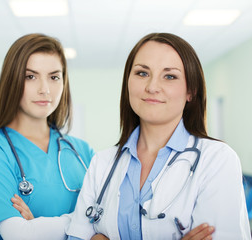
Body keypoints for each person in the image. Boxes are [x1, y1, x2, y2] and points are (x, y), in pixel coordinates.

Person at [66, 33, 251, 239]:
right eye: (142, 73)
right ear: (128, 82)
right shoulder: (102, 163)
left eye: (169, 76)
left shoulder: (217, 159)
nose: (152, 87)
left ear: (191, 91)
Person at [0, 33, 94, 240]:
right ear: (11, 81)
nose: (45, 89)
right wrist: (84, 222)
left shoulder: (83, 152)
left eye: (54, 77)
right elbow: (20, 236)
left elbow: (111, 223)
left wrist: (39, 228)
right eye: (30, 76)